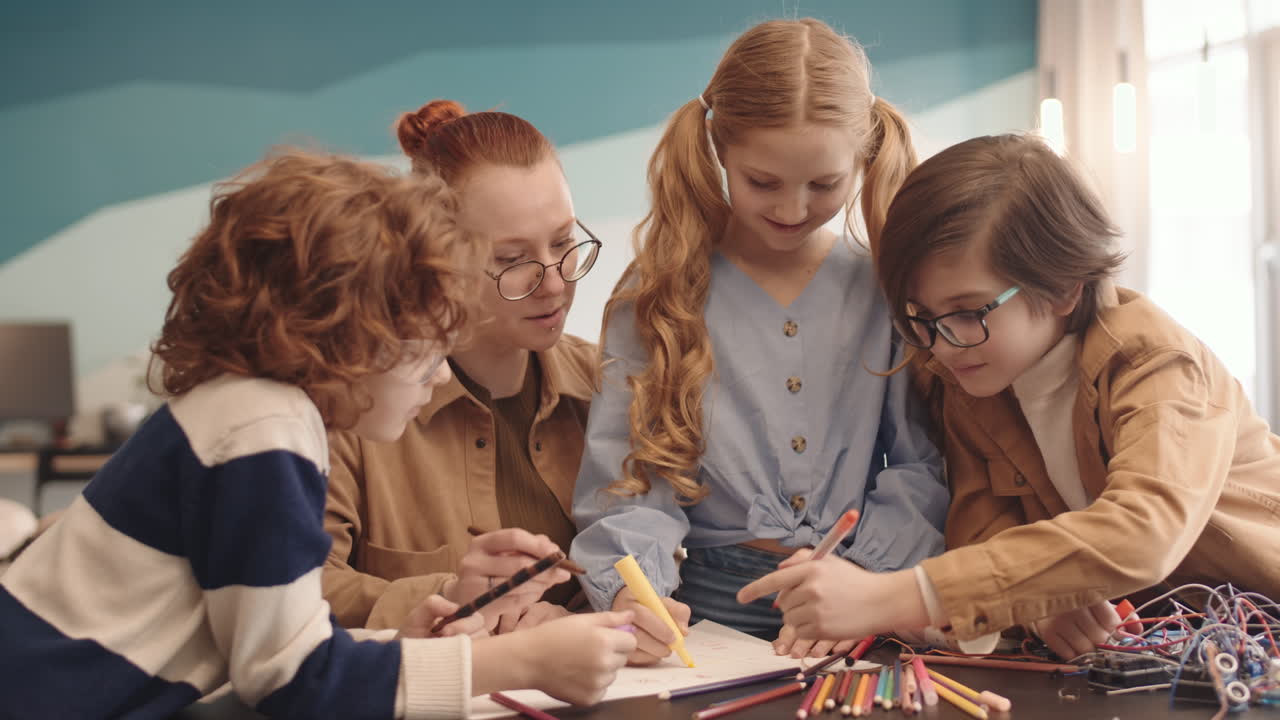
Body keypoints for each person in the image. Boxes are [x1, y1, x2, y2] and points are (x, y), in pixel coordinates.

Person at [0, 149, 635, 718]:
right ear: (350, 332)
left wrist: (402, 643)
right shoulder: (263, 433)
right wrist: (524, 662)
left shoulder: (250, 412)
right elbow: (291, 682)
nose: (441, 370)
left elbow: (277, 652)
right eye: (429, 344)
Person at [739, 133, 1280, 661]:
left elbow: (1144, 529)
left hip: (1260, 627)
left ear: (1065, 285)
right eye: (920, 316)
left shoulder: (1156, 362)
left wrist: (891, 597)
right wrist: (1035, 605)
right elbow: (981, 525)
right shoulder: (973, 377)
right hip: (1163, 652)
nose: (942, 343)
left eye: (969, 311)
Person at [570, 17, 949, 665]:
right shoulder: (658, 293)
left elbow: (922, 466)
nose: (793, 209)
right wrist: (632, 593)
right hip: (702, 610)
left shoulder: (884, 285)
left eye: (824, 185)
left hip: (860, 593)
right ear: (718, 151)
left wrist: (862, 580)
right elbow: (630, 482)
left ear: (861, 159)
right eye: (763, 182)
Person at [322, 100, 603, 634]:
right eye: (512, 260)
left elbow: (647, 551)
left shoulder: (605, 383)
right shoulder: (356, 404)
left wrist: (626, 610)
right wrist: (454, 600)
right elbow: (299, 588)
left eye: (564, 242)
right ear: (438, 257)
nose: (554, 283)